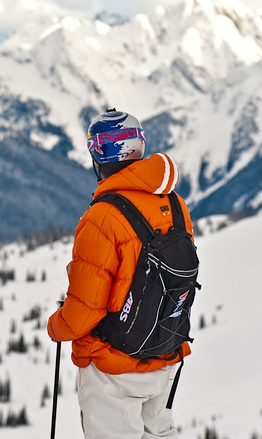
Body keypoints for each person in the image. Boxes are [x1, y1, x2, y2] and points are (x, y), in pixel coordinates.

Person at [47, 108, 195, 439]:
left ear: (99, 155)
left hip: (113, 368)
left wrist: (57, 326)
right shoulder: (175, 205)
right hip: (165, 353)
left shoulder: (102, 218)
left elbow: (86, 308)